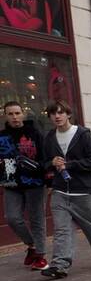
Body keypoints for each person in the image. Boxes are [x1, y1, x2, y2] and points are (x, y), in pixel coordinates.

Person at [40, 100, 91, 279]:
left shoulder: (83, 135)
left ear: (68, 114)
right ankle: (60, 265)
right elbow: (43, 163)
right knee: (62, 229)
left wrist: (70, 165)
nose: (57, 116)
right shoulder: (50, 137)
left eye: (60, 112)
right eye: (53, 114)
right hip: (60, 191)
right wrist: (52, 163)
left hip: (83, 191)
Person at [1, 101, 47, 269]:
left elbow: (45, 156)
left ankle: (41, 256)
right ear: (5, 115)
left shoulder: (34, 133)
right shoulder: (1, 136)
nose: (14, 117)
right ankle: (32, 245)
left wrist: (47, 178)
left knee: (37, 220)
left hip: (34, 182)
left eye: (17, 113)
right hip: (11, 183)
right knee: (12, 218)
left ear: (23, 114)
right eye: (10, 114)